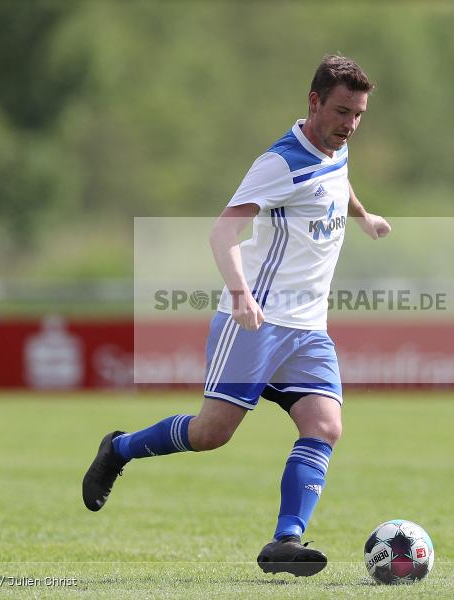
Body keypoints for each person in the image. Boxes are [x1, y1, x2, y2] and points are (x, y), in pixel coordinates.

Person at [82, 54, 390, 577]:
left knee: (324, 425)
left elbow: (337, 184)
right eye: (342, 112)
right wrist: (241, 293)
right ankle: (120, 449)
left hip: (308, 330)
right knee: (211, 434)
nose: (351, 125)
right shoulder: (279, 162)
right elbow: (221, 232)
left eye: (359, 115)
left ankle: (285, 541)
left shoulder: (336, 147)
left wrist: (364, 216)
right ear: (313, 102)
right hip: (256, 322)